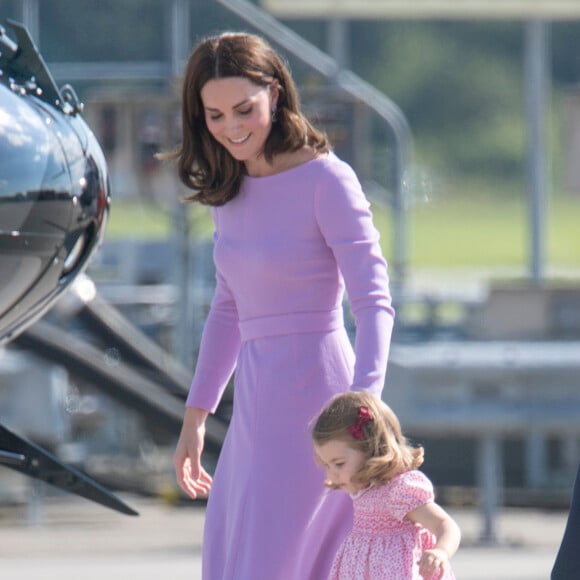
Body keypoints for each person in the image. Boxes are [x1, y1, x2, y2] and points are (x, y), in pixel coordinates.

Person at [170, 31, 395, 580]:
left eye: (244, 109)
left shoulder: (327, 179)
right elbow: (228, 307)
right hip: (253, 408)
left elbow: (373, 299)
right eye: (215, 116)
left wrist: (363, 405)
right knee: (241, 557)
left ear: (275, 92)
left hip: (320, 400)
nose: (232, 128)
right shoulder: (230, 190)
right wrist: (195, 416)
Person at [311, 391, 460, 579]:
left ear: (370, 449)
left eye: (339, 463)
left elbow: (445, 524)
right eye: (326, 465)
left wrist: (440, 552)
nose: (332, 473)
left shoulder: (399, 491)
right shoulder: (363, 491)